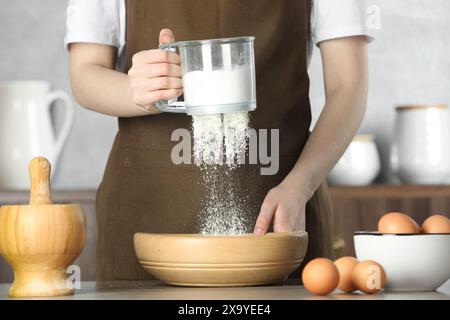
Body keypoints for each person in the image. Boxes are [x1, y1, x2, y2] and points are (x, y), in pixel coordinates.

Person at [66, 0, 372, 281]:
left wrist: (299, 186)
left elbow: (349, 85)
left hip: (280, 215)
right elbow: (85, 73)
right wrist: (137, 89)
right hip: (147, 213)